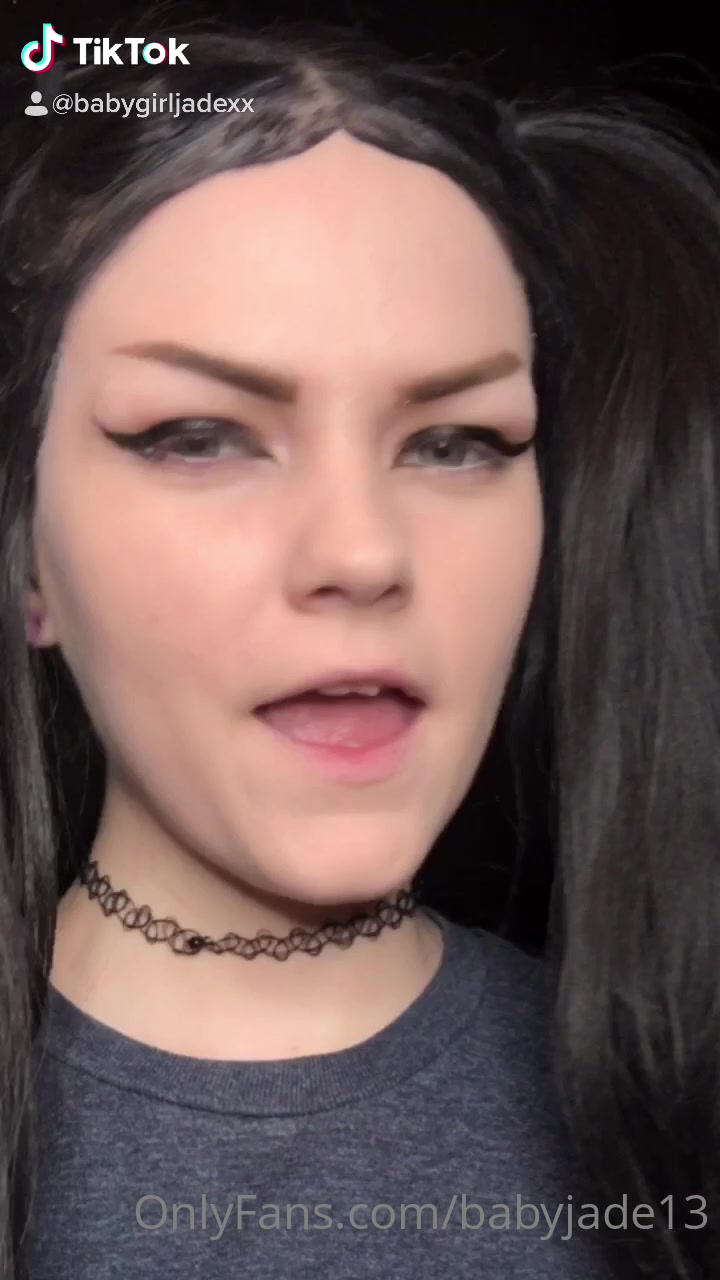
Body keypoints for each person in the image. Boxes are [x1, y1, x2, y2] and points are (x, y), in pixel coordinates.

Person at [0, 14, 718, 1280]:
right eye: (200, 435)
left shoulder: (675, 1125)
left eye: (455, 442)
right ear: (27, 560)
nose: (363, 550)